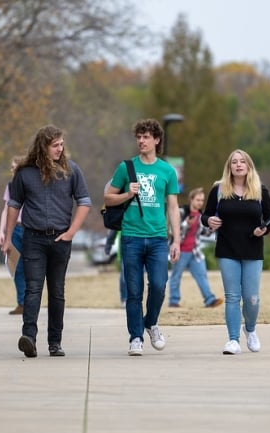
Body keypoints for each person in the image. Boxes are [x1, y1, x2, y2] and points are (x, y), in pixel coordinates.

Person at [1, 125, 91, 358]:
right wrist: (8, 237)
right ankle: (28, 337)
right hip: (33, 238)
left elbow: (84, 202)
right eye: (55, 145)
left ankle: (55, 342)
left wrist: (71, 232)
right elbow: (13, 206)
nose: (60, 149)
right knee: (33, 289)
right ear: (43, 147)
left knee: (57, 292)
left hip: (61, 239)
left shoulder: (72, 171)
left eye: (61, 144)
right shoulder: (24, 173)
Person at [104, 118, 181, 356]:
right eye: (138, 137)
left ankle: (151, 322)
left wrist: (176, 239)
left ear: (157, 140)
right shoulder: (126, 167)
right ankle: (135, 337)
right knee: (134, 292)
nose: (141, 141)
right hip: (131, 237)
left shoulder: (167, 171)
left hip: (158, 238)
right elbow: (108, 199)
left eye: (146, 137)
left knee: (158, 286)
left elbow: (173, 207)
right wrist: (128, 194)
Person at [201, 149, 270, 355]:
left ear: (249, 166)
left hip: (252, 249)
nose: (239, 165)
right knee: (232, 296)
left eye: (242, 161)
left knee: (252, 298)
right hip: (227, 249)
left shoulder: (260, 190)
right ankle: (233, 340)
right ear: (229, 167)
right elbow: (205, 215)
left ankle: (250, 330)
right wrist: (209, 221)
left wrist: (264, 229)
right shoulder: (219, 189)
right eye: (234, 162)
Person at [168, 187, 223, 308]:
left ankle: (209, 300)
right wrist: (186, 224)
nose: (200, 202)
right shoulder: (182, 212)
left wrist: (212, 228)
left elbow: (204, 233)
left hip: (195, 251)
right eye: (198, 200)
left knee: (202, 275)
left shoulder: (201, 215)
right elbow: (172, 230)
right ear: (191, 199)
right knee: (176, 276)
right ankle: (173, 301)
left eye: (202, 200)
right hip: (180, 251)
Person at [0, 156, 25, 315]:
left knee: (30, 267)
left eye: (15, 167)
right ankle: (22, 303)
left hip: (30, 229)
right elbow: (6, 210)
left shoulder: (31, 185)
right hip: (14, 230)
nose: (13, 169)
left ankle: (29, 302)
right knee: (17, 267)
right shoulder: (11, 186)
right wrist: (2, 231)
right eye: (12, 167)